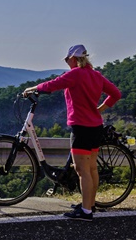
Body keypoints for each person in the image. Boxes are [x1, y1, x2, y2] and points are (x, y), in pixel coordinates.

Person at [23, 44, 121, 220]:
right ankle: (89, 204)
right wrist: (99, 109)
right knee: (91, 169)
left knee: (82, 170)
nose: (67, 62)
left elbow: (52, 85)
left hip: (81, 127)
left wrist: (32, 88)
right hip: (95, 127)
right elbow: (116, 94)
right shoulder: (96, 75)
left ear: (73, 59)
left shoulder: (75, 74)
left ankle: (85, 211)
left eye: (68, 59)